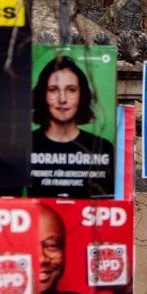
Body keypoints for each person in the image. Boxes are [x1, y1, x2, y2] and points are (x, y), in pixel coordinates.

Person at [31, 56, 115, 198]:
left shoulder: (102, 148)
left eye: (71, 89)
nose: (62, 99)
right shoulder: (26, 145)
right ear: (43, 94)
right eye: (53, 89)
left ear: (81, 95)